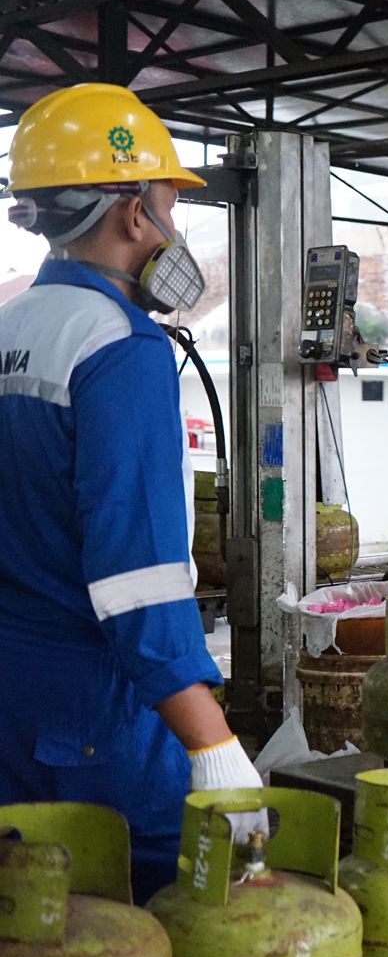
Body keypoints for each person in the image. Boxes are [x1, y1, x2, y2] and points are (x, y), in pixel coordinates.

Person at [0, 83, 262, 902]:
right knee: (135, 933)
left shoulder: (9, 328)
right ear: (130, 211)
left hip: (10, 696)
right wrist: (211, 742)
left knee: (31, 932)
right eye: (169, 202)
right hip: (95, 717)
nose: (175, 227)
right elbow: (136, 580)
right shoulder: (123, 347)